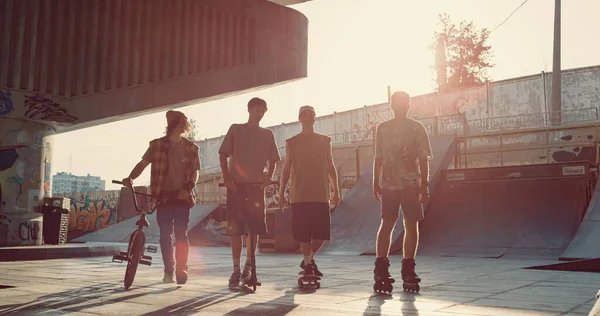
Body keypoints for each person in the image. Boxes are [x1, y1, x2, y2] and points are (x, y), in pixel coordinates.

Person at [122, 110, 201, 285]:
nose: (184, 125)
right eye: (181, 122)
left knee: (182, 234)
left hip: (182, 197)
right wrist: (130, 178)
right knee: (165, 235)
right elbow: (142, 164)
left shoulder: (191, 148)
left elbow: (195, 172)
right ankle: (168, 270)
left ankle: (182, 269)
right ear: (172, 125)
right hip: (163, 197)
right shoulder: (156, 145)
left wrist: (188, 188)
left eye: (185, 122)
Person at [218, 97, 281, 288]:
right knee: (235, 229)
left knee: (254, 229)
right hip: (236, 187)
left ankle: (248, 268)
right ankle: (236, 269)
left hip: (255, 187)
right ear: (249, 109)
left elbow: (274, 160)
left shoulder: (267, 134)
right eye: (257, 109)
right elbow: (223, 154)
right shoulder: (236, 129)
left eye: (263, 110)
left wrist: (268, 176)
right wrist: (227, 177)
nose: (260, 113)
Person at [372, 91, 432, 285]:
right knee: (387, 222)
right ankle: (381, 266)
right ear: (392, 106)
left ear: (408, 105)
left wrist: (424, 184)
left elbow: (423, 158)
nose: (400, 106)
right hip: (389, 184)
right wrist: (375, 181)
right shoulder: (382, 128)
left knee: (411, 223)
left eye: (403, 103)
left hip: (411, 183)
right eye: (397, 103)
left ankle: (408, 267)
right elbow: (378, 157)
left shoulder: (417, 128)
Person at [278, 105, 340, 278]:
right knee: (303, 234)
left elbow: (331, 166)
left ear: (314, 118)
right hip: (300, 195)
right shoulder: (292, 142)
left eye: (311, 114)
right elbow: (286, 168)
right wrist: (281, 192)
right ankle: (308, 264)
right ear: (299, 119)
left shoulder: (324, 141)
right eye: (304, 114)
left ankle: (309, 260)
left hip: (321, 195)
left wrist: (336, 190)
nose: (307, 117)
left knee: (321, 234)